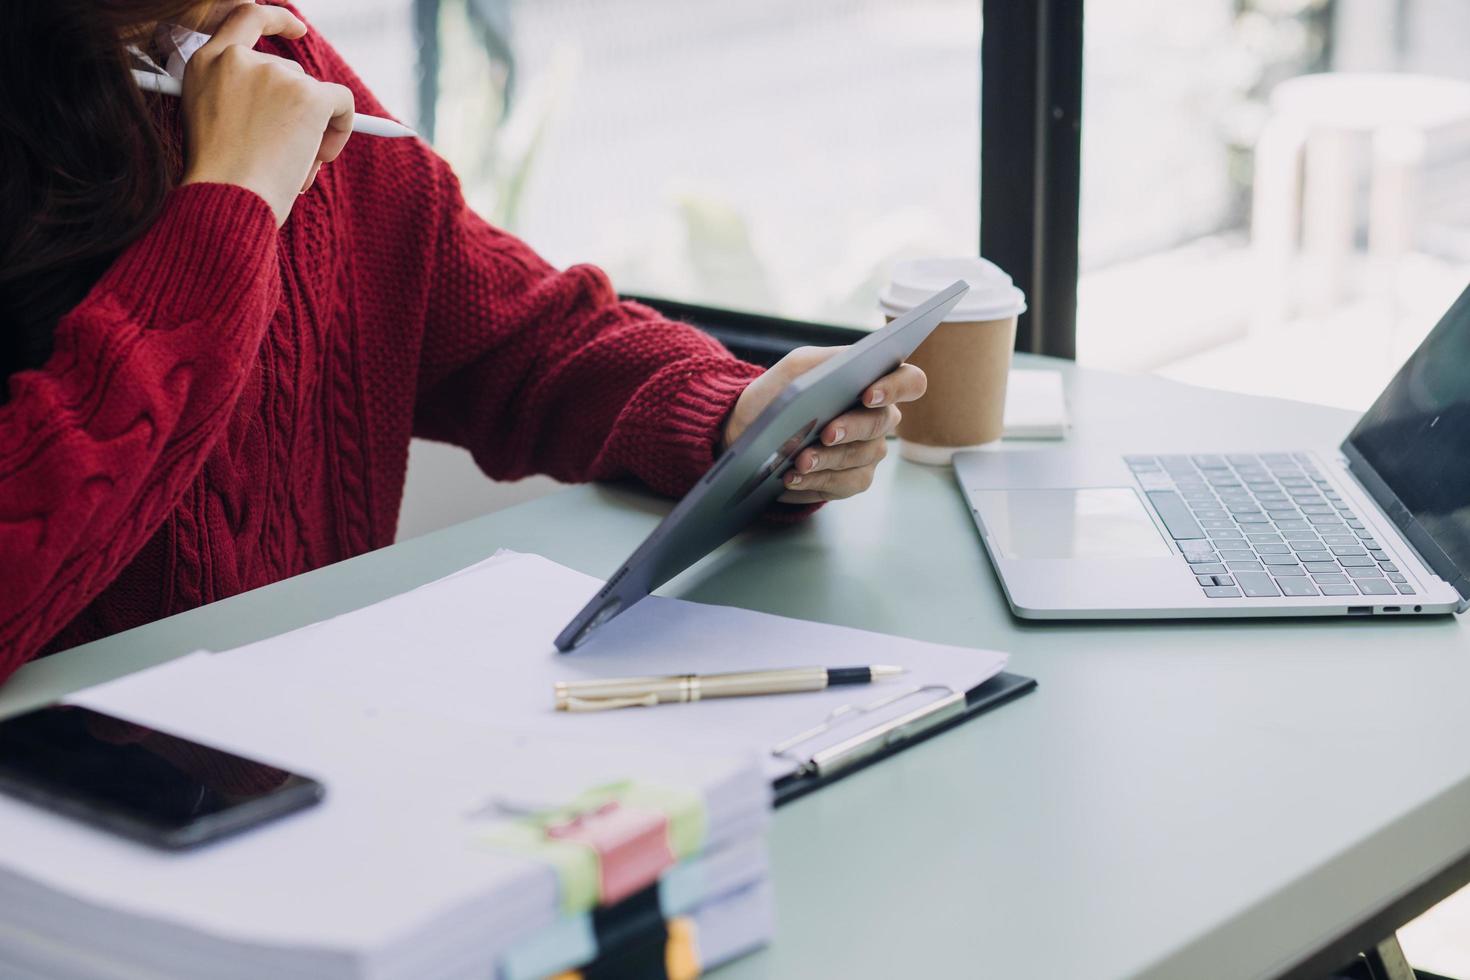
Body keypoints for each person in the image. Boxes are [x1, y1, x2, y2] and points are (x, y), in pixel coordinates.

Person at [0, 0, 926, 681]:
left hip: (313, 738)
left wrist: (734, 411)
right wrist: (232, 205)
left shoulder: (266, 50)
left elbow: (517, 338)